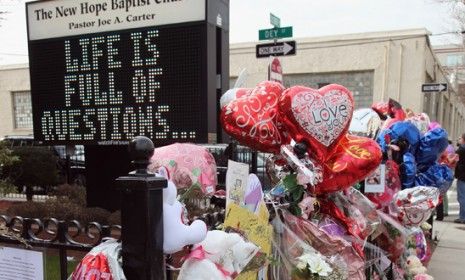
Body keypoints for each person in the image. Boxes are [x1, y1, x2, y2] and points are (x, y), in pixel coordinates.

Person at [454, 134, 465, 223]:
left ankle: (462, 217)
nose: (459, 139)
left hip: (462, 176)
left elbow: (452, 160)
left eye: (461, 138)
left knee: (462, 198)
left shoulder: (461, 149)